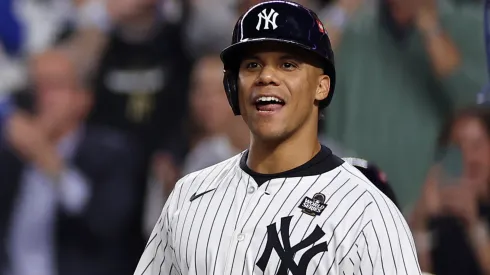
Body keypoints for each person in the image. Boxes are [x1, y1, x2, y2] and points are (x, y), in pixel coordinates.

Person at [134, 1, 421, 274]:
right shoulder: (189, 196)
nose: (266, 77)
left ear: (321, 87)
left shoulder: (365, 209)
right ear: (234, 88)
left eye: (287, 64)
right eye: (252, 65)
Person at [0, 49, 144, 275]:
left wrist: (47, 158)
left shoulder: (112, 153)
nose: (43, 97)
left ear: (83, 98)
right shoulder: (10, 153)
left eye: (54, 86)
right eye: (36, 87)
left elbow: (106, 224)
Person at [410, 105, 490, 275]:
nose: (468, 156)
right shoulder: (440, 216)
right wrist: (421, 222)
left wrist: (474, 226)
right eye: (457, 148)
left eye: (477, 145)